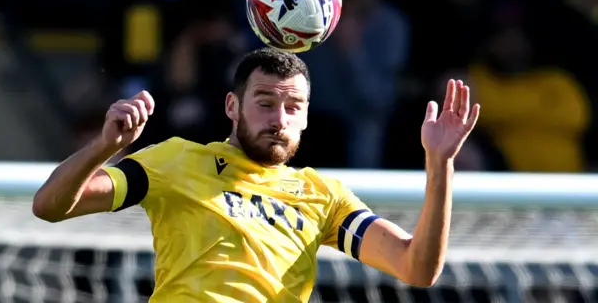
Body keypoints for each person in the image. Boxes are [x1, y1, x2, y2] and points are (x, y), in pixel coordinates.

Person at [32, 48, 480, 302]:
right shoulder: (174, 160)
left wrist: (439, 165)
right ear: (232, 107)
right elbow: (50, 206)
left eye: (293, 107)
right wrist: (105, 148)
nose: (279, 118)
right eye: (265, 102)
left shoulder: (323, 195)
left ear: (306, 118)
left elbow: (416, 269)